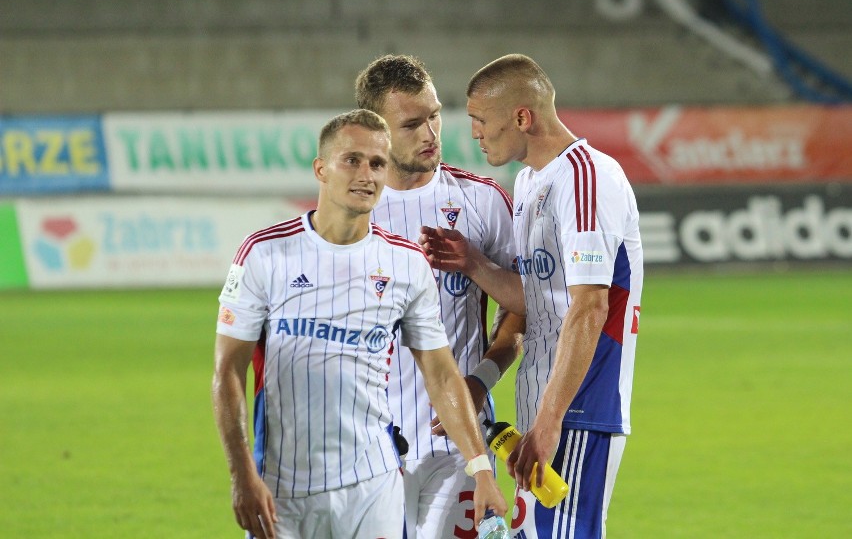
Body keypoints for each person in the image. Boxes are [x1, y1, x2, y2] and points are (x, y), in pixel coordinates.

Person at [211, 109, 507, 539]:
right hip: (283, 489)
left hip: (375, 486)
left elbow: (442, 376)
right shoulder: (264, 254)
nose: (366, 174)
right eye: (352, 160)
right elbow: (228, 372)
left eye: (377, 163)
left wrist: (481, 469)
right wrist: (241, 475)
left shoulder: (406, 264)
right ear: (321, 169)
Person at [420, 54, 644, 538]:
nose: (474, 133)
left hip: (580, 408)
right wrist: (474, 264)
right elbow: (538, 299)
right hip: (545, 406)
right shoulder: (528, 182)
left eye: (481, 121)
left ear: (522, 117)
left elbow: (590, 305)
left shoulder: (587, 177)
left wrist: (549, 421)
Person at [355, 54, 525, 538]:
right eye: (412, 124)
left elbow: (521, 308)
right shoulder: (350, 215)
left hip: (459, 443)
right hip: (371, 444)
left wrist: (481, 381)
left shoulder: (482, 201)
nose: (431, 133)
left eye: (435, 115)